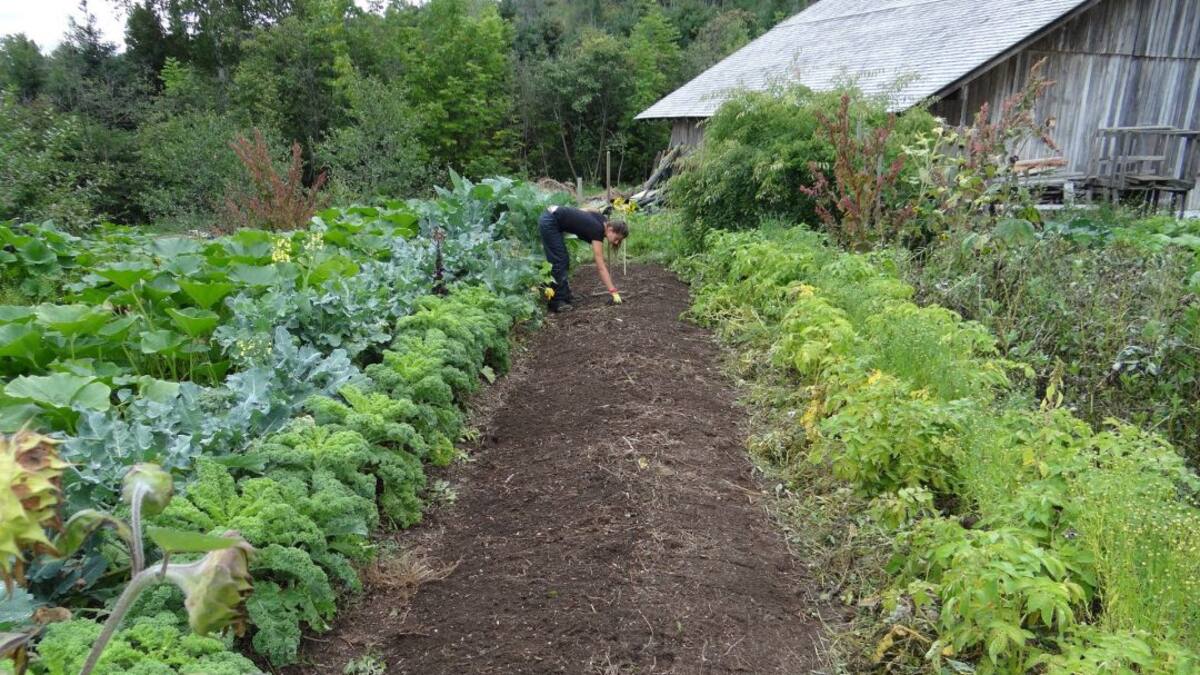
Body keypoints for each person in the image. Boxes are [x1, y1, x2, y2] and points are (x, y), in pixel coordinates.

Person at [537, 205, 628, 312]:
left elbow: (589, 209)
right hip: (550, 221)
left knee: (563, 259)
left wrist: (574, 217)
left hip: (553, 214)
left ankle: (564, 295)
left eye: (619, 241)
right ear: (611, 229)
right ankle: (557, 302)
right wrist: (613, 291)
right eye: (617, 238)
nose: (616, 242)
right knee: (559, 260)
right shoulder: (597, 230)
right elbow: (601, 267)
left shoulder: (603, 220)